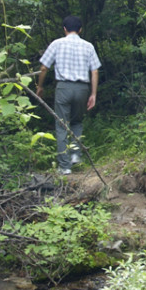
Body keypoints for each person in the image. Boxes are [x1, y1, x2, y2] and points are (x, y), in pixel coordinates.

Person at [36, 16, 101, 175]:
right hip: (82, 88)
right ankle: (75, 155)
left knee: (62, 125)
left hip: (64, 87)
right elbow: (95, 71)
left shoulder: (57, 44)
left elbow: (44, 67)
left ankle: (64, 167)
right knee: (77, 122)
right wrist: (93, 93)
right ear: (80, 30)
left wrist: (40, 86)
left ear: (64, 29)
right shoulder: (88, 46)